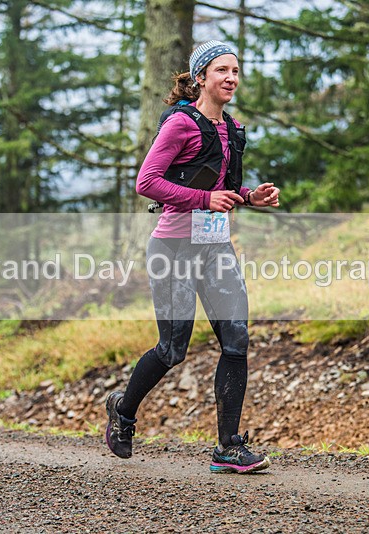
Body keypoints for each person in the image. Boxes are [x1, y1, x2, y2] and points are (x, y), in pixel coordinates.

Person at [105, 40, 281, 474]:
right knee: (172, 350)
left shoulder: (233, 130)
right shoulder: (181, 124)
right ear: (200, 76)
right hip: (174, 249)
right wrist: (205, 198)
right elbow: (147, 182)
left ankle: (227, 447)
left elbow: (224, 188)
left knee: (236, 342)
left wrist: (249, 196)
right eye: (222, 70)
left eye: (236, 71)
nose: (231, 78)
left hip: (216, 249)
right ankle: (123, 413)